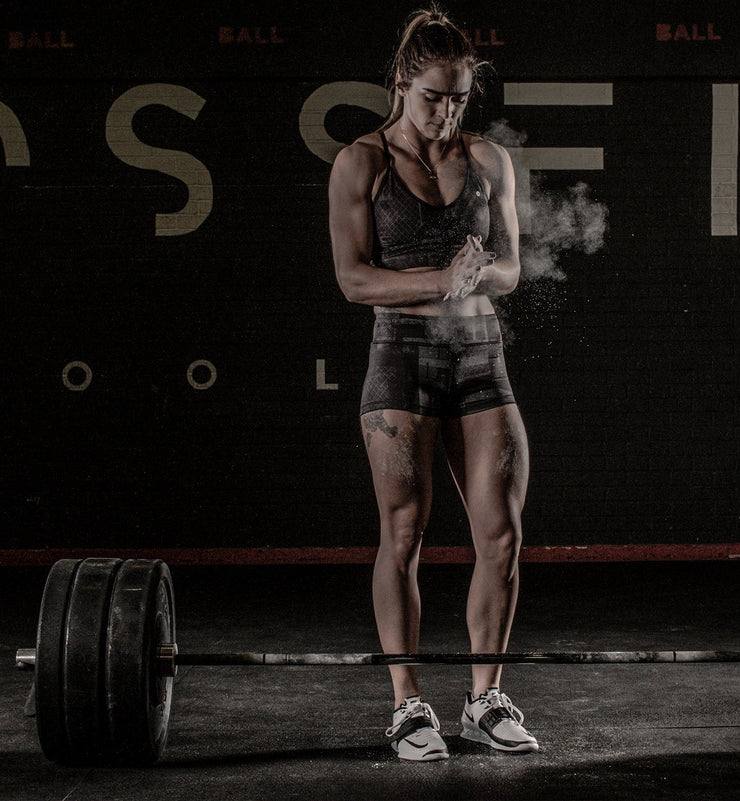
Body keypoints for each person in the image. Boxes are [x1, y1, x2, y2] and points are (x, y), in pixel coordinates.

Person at [328, 5, 537, 762]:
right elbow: (354, 280)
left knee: (502, 534)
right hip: (402, 360)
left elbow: (512, 265)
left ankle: (485, 699)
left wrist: (482, 273)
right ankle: (408, 706)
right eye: (432, 98)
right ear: (400, 83)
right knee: (405, 533)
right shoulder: (362, 162)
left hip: (480, 355)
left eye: (458, 98)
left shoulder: (488, 161)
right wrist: (440, 277)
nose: (447, 114)